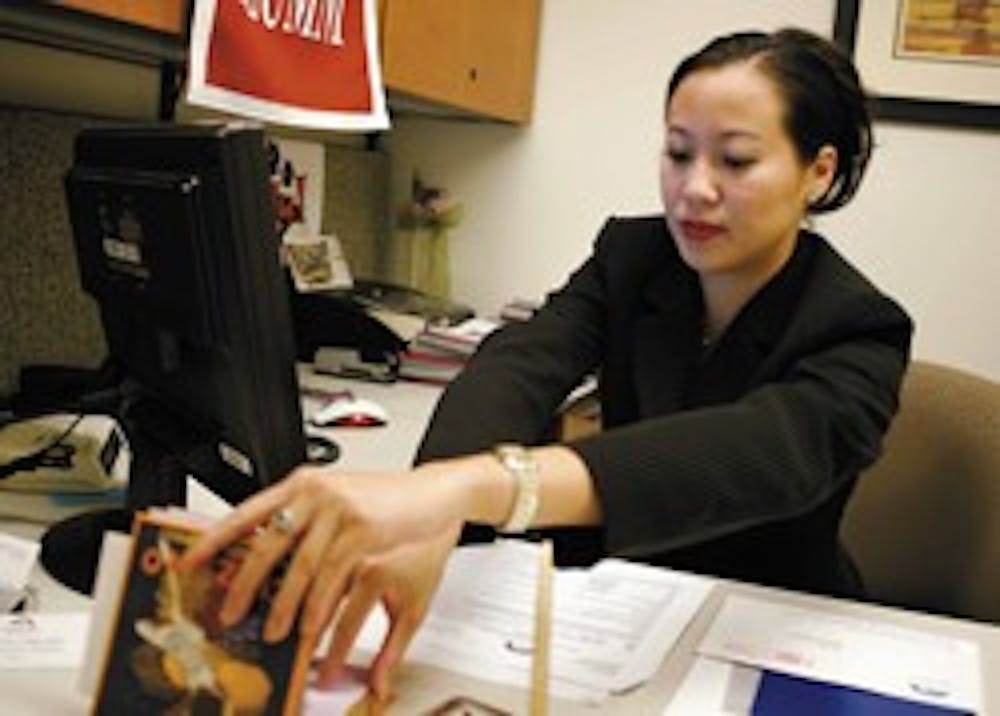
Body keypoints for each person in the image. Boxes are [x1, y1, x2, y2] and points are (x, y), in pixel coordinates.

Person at [181, 27, 913, 701]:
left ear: (819, 171)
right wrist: (433, 520)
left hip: (765, 638)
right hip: (621, 610)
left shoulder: (858, 326)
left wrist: (471, 488)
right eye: (678, 151)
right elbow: (518, 365)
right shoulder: (634, 256)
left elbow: (743, 454)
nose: (694, 188)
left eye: (737, 160)